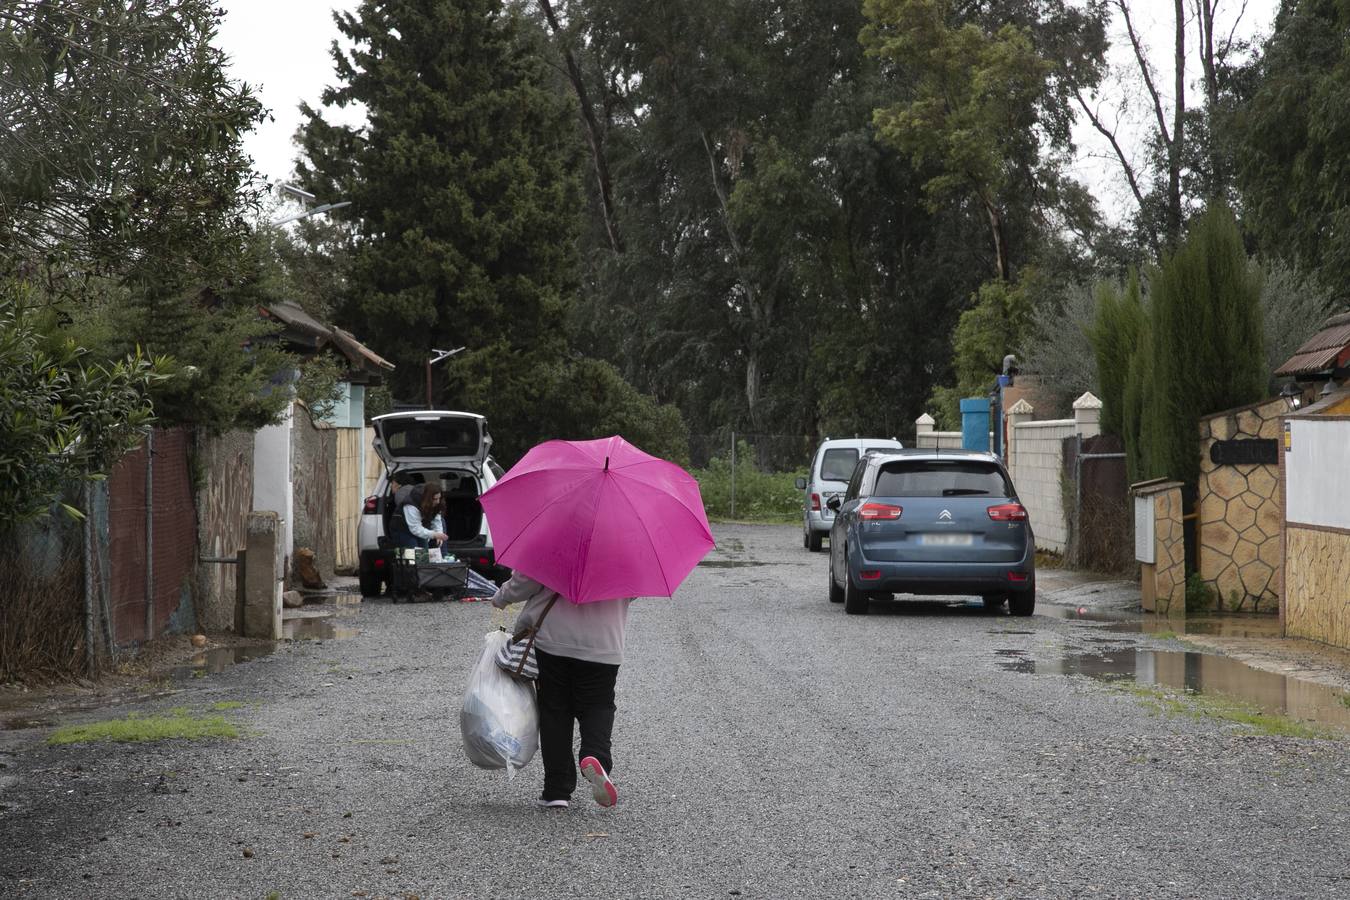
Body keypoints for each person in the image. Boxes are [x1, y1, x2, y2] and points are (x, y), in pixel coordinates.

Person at [488, 571, 632, 810]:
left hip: (554, 640)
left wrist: (502, 597)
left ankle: (556, 790)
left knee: (555, 710)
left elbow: (528, 579)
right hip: (605, 642)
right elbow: (631, 592)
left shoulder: (553, 547)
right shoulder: (627, 554)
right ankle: (596, 756)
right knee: (598, 704)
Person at [387, 482, 449, 549]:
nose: (438, 502)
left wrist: (439, 533)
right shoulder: (411, 505)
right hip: (402, 529)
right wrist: (434, 534)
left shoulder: (435, 504)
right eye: (435, 499)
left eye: (439, 498)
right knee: (413, 552)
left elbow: (436, 520)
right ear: (428, 498)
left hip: (420, 528)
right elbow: (415, 528)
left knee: (424, 552)